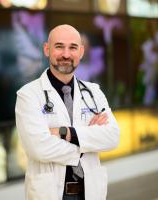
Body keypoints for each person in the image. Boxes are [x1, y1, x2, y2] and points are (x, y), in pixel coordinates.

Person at [15, 24, 120, 200]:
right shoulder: (28, 95)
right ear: (47, 49)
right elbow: (39, 148)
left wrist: (66, 133)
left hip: (90, 191)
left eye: (72, 47)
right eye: (59, 46)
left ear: (81, 51)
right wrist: (88, 142)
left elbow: (112, 137)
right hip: (51, 192)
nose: (66, 54)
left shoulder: (94, 92)